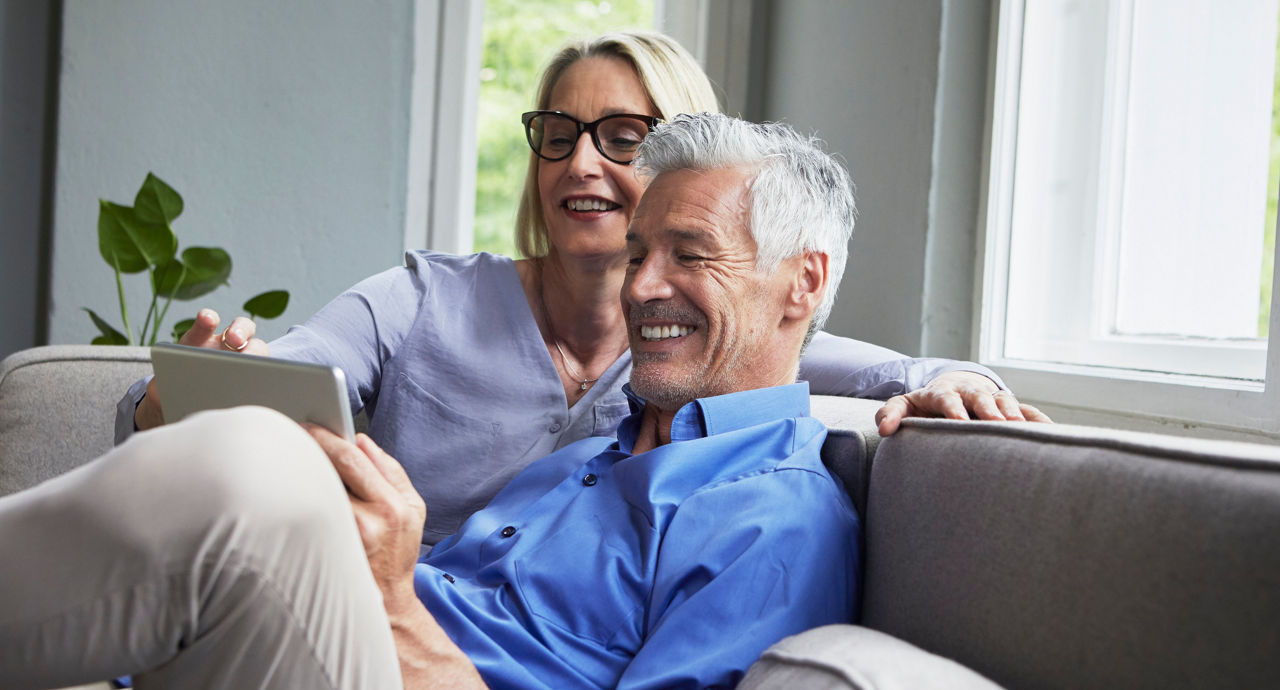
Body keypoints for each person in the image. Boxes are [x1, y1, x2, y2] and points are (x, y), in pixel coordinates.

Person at [2, 113, 872, 690]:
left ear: (802, 284)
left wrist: (388, 611)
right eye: (639, 253)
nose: (641, 286)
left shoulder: (776, 514)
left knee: (262, 462)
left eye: (688, 254)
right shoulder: (584, 460)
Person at [117, 30, 1044, 548]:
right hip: (385, 600)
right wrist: (185, 388)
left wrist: (957, 381)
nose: (581, 162)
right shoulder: (416, 301)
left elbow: (888, 365)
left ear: (687, 160)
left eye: (623, 135)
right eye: (557, 134)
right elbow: (273, 378)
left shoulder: (698, 341)